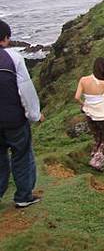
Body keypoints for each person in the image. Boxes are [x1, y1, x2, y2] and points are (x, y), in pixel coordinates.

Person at [0, 20, 43, 208]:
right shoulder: (13, 58)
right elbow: (25, 90)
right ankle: (23, 196)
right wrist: (35, 114)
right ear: (5, 38)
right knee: (22, 156)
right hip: (14, 119)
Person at [74, 57, 104, 171]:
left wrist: (84, 104)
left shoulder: (83, 80)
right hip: (101, 113)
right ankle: (97, 161)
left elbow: (76, 97)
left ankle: (95, 158)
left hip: (89, 113)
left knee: (97, 137)